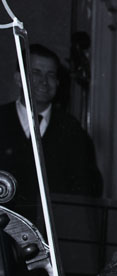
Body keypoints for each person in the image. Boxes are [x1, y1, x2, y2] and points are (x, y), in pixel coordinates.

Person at [0, 43, 103, 227]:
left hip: (53, 234)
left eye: (51, 75)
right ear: (18, 78)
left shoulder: (72, 131)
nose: (44, 82)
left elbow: (87, 191)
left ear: (58, 82)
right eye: (36, 73)